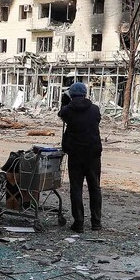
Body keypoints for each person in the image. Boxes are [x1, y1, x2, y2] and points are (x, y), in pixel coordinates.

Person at [57, 81, 102, 232]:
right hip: (93, 154)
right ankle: (96, 222)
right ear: (85, 93)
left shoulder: (68, 110)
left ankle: (79, 223)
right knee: (94, 187)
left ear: (71, 94)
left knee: (76, 188)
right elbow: (96, 120)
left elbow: (62, 115)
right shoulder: (95, 110)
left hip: (75, 154)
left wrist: (65, 103)